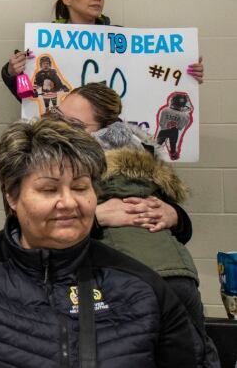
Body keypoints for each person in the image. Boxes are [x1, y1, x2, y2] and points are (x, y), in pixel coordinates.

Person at [0, 118, 202, 367]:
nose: (68, 202)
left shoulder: (143, 288)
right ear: (12, 195)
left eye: (81, 187)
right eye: (49, 190)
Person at [56, 82, 219, 367]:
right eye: (59, 117)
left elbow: (46, 228)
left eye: (73, 124)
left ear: (102, 131)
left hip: (126, 280)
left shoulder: (77, 162)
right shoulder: (141, 156)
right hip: (178, 275)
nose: (61, 128)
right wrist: (177, 219)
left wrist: (175, 217)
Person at [0, 0, 204, 97]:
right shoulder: (44, 44)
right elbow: (29, 98)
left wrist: (184, 71)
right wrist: (12, 73)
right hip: (65, 142)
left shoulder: (121, 39)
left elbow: (149, 76)